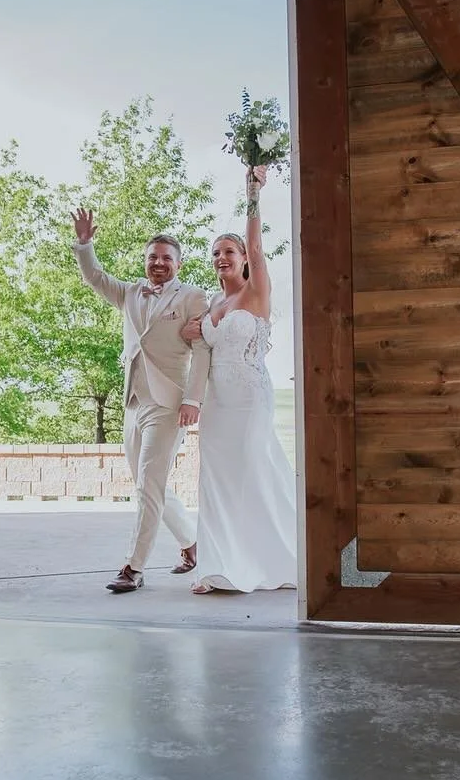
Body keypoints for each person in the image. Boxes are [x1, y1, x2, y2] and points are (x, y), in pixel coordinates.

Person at [70, 210, 211, 593]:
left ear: (178, 264)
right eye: (153, 257)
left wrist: (193, 400)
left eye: (166, 257)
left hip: (169, 403)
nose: (159, 263)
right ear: (145, 261)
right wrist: (85, 245)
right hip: (134, 401)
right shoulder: (131, 292)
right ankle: (192, 544)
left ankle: (134, 567)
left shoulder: (194, 297)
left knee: (148, 484)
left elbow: (201, 352)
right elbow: (96, 277)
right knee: (150, 485)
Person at [179, 167, 296, 594]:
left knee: (250, 472)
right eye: (215, 253)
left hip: (249, 399)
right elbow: (201, 342)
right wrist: (194, 329)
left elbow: (260, 246)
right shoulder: (213, 302)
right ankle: (216, 565)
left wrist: (253, 194)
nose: (221, 257)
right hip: (217, 404)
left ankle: (266, 559)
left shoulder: (256, 292)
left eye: (230, 250)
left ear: (244, 257)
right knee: (215, 479)